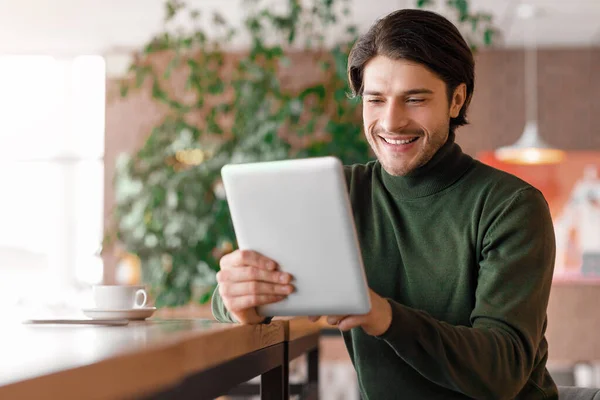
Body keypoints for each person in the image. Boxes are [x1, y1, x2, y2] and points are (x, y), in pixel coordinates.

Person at [211, 8, 558, 400]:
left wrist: (385, 317)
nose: (391, 122)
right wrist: (240, 296)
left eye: (414, 99)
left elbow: (503, 371)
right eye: (375, 100)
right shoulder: (337, 192)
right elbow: (230, 299)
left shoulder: (510, 206)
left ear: (456, 100)